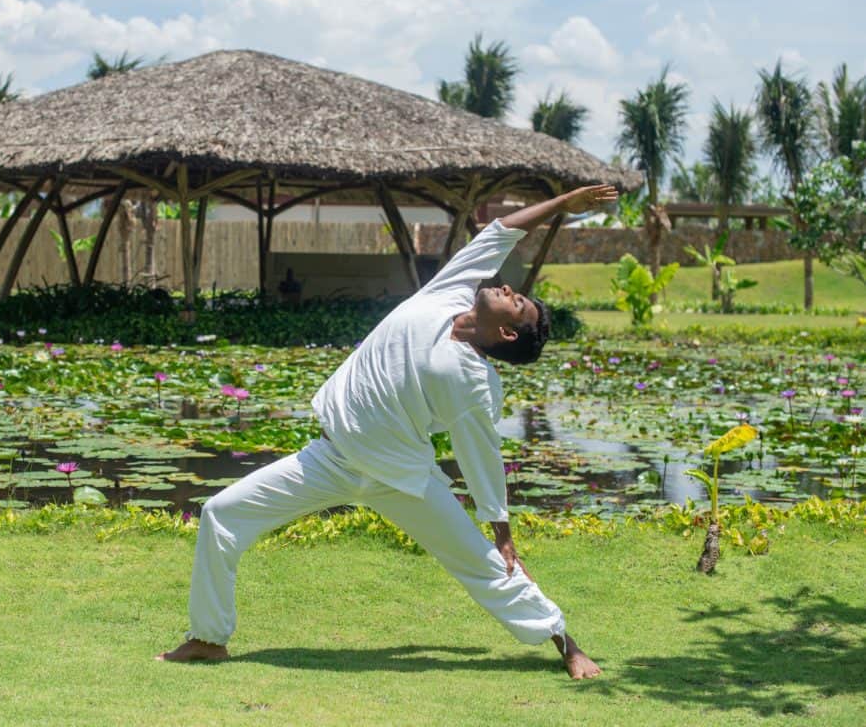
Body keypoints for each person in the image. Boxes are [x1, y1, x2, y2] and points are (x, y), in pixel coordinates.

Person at [157, 184, 618, 679]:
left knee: (484, 565)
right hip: (330, 458)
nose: (506, 288)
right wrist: (560, 206)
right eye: (513, 289)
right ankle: (208, 638)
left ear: (506, 333)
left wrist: (502, 533)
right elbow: (499, 233)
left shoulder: (475, 381)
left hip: (401, 478)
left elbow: (480, 452)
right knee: (220, 514)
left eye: (516, 301)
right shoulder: (449, 292)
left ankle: (566, 644)